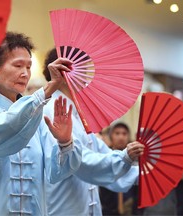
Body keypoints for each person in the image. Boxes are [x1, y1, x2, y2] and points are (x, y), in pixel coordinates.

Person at [0, 32, 82, 216]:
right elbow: (7, 126)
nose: (25, 73)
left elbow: (56, 173)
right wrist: (47, 90)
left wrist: (65, 142)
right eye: (18, 65)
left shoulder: (37, 118)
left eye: (29, 66)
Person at [42, 48, 144, 216]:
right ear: (65, 72)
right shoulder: (52, 110)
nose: (87, 78)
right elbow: (81, 162)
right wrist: (124, 157)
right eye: (82, 69)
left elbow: (101, 154)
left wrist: (141, 173)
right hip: (63, 208)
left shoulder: (78, 114)